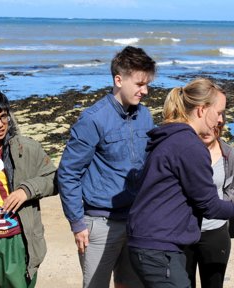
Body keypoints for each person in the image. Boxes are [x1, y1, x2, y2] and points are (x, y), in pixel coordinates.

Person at [127, 78, 234, 288]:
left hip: (152, 242)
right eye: (218, 112)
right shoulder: (189, 145)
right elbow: (210, 205)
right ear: (201, 110)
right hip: (158, 246)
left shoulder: (172, 138)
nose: (221, 120)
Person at [57, 46, 156, 288]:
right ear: (119, 80)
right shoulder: (93, 119)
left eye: (147, 84)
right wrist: (77, 223)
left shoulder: (145, 117)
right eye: (140, 84)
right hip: (98, 224)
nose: (145, 91)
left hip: (135, 221)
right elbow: (68, 173)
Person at [0, 88, 58, 288]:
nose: (0, 124)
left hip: (17, 241)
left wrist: (27, 190)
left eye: (4, 117)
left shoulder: (26, 148)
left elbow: (55, 178)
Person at [185, 119, 234, 288]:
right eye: (203, 127)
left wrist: (229, 197)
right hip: (183, 230)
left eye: (212, 126)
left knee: (214, 284)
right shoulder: (184, 153)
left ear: (220, 127)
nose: (207, 131)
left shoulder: (232, 155)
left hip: (215, 231)